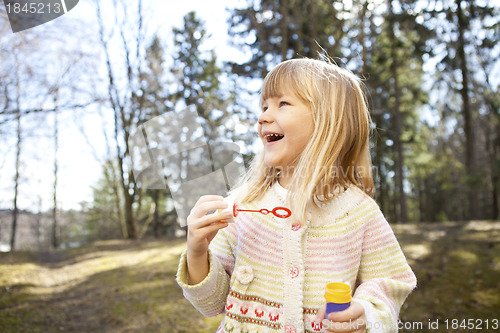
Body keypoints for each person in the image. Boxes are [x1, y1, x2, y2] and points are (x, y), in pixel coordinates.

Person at [176, 58, 416, 333]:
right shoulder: (244, 205)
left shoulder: (358, 212)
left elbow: (391, 281)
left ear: (328, 121)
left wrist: (367, 314)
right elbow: (212, 304)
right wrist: (197, 252)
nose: (263, 116)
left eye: (282, 104)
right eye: (264, 105)